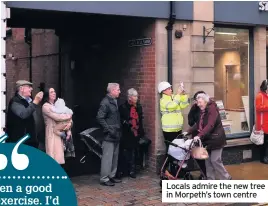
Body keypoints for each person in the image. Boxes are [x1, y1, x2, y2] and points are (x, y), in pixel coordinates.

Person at [187, 93, 232, 180]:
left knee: (215, 160)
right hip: (207, 139)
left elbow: (210, 125)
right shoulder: (203, 110)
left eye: (200, 102)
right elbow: (199, 123)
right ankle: (210, 180)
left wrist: (199, 135)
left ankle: (226, 178)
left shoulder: (212, 109)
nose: (198, 104)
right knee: (207, 161)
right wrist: (188, 131)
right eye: (197, 102)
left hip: (216, 138)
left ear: (205, 101)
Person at [96, 83, 122, 186]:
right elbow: (99, 117)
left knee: (114, 156)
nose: (120, 91)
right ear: (112, 91)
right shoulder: (105, 102)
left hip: (116, 133)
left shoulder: (114, 101)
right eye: (118, 90)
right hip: (109, 134)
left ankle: (111, 175)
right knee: (107, 157)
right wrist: (108, 129)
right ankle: (104, 178)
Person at [6, 80, 43, 147]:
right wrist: (35, 102)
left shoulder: (29, 101)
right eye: (29, 87)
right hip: (21, 141)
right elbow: (23, 114)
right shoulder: (15, 101)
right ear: (21, 89)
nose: (31, 89)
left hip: (31, 140)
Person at [118, 88, 145, 178]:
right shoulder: (123, 107)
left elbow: (140, 119)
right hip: (127, 132)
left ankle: (132, 170)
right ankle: (124, 169)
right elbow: (120, 119)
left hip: (135, 132)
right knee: (125, 151)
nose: (136, 98)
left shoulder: (138, 107)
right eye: (135, 96)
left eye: (137, 96)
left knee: (134, 151)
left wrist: (140, 131)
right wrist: (126, 122)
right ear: (130, 97)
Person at [42, 88, 74, 164]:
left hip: (61, 132)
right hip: (52, 133)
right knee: (53, 157)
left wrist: (69, 125)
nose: (54, 93)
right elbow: (58, 117)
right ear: (47, 95)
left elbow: (68, 119)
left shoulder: (57, 105)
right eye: (51, 92)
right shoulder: (46, 106)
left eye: (54, 91)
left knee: (60, 156)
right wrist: (69, 115)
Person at [158, 81, 189, 150]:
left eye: (170, 88)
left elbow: (184, 105)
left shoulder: (175, 98)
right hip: (169, 130)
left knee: (178, 150)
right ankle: (169, 161)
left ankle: (176, 161)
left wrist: (183, 95)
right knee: (171, 149)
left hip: (178, 129)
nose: (171, 90)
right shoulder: (163, 101)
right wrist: (178, 94)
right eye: (169, 89)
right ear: (163, 91)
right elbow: (173, 105)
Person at [187, 91, 207, 179]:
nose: (199, 102)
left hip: (205, 137)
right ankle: (203, 174)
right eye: (197, 100)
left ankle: (206, 175)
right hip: (196, 137)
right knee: (199, 159)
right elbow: (190, 122)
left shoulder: (208, 109)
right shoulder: (194, 109)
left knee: (206, 159)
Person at [255, 80, 268, 164]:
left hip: (266, 122)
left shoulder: (265, 96)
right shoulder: (259, 96)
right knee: (263, 143)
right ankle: (263, 158)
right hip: (263, 123)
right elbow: (258, 108)